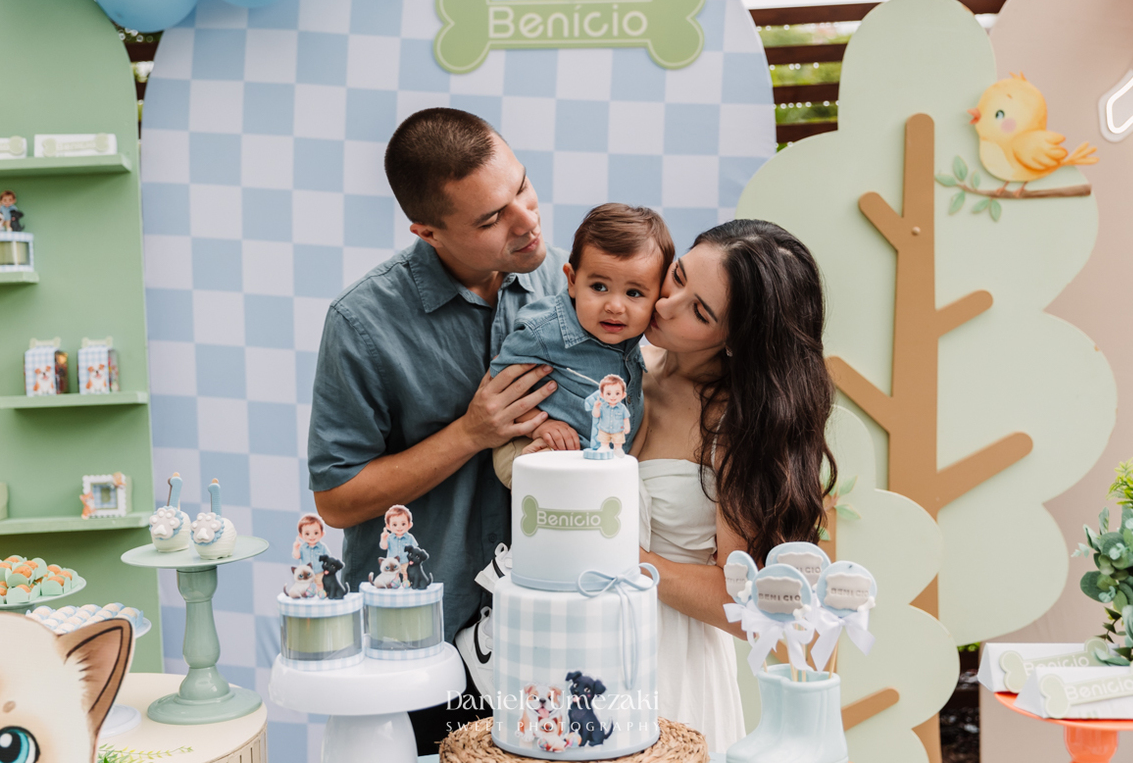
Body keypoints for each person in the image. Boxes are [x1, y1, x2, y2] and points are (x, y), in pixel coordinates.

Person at [307, 108, 567, 753]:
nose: (527, 220)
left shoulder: (561, 283)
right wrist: (471, 432)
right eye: (490, 219)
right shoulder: (362, 323)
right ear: (427, 231)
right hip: (424, 638)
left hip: (545, 626)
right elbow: (336, 501)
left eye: (523, 188)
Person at [627, 219, 837, 752]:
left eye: (699, 311)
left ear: (737, 342)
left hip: (670, 670)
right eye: (675, 278)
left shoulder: (738, 427)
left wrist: (626, 562)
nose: (665, 304)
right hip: (575, 641)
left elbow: (746, 606)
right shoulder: (617, 357)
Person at [489, 203, 674, 484]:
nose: (614, 306)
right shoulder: (545, 332)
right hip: (529, 444)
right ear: (573, 281)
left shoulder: (634, 336)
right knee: (558, 487)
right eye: (599, 287)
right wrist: (541, 423)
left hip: (594, 457)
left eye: (634, 292)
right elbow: (497, 383)